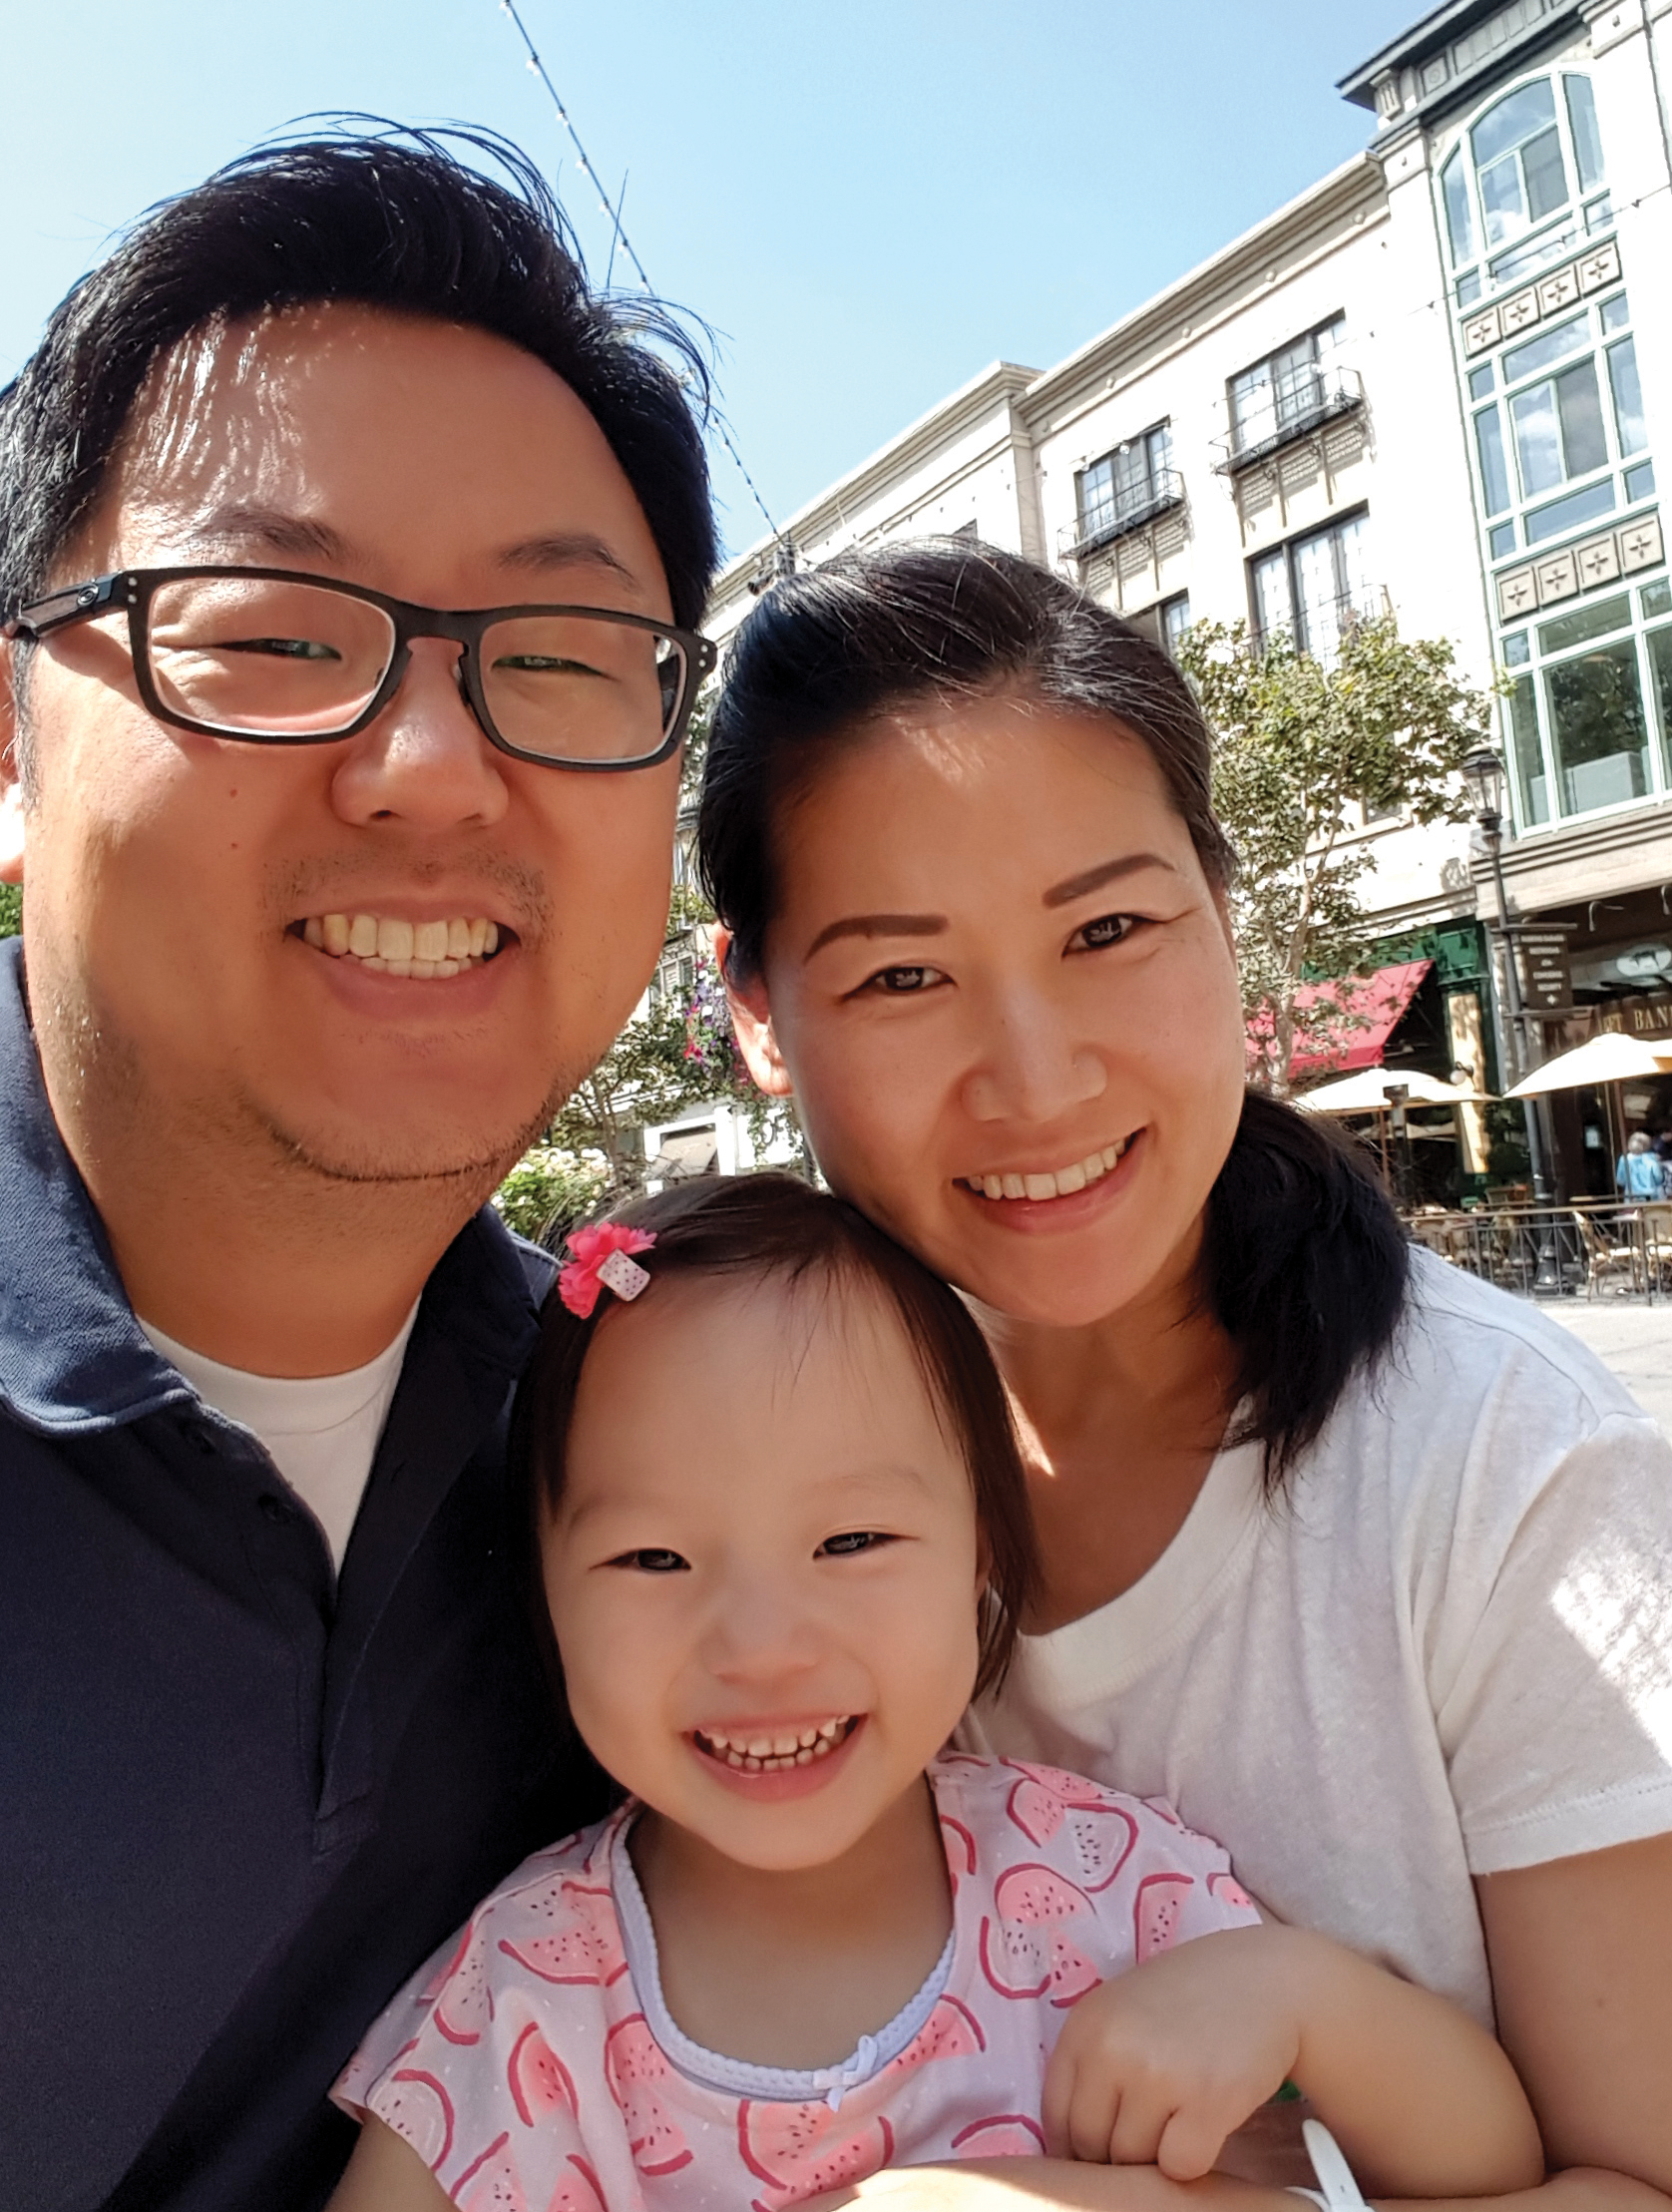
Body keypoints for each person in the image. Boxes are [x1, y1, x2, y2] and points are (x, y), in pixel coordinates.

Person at [697, 540, 1672, 2212]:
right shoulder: (714, 1476)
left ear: (1225, 911)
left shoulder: (1501, 1468)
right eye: (901, 975)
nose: (1038, 1075)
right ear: (758, 1015)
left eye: (1110, 928)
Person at [0, 129, 716, 2210]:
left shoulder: (660, 1429)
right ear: (19, 753)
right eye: (278, 629)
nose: (428, 766)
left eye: (567, 661)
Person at [325, 1174, 1541, 2212]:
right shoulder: (526, 2003)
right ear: (539, 1598)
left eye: (851, 1541)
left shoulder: (1102, 1888)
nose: (760, 1646)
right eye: (653, 1560)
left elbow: (1484, 2159)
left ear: (982, 1562)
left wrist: (1302, 2000)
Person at [1616, 1129, 1668, 1200]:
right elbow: (1659, 1178)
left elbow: (1620, 1180)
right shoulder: (1651, 1158)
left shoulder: (1624, 1159)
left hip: (1631, 1196)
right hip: (1650, 1196)